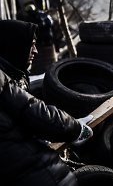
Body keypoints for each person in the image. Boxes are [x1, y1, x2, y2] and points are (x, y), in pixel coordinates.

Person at [0, 20, 93, 186]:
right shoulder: (3, 81)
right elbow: (34, 111)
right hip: (37, 175)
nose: (35, 51)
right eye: (31, 45)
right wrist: (76, 128)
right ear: (13, 45)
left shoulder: (11, 78)